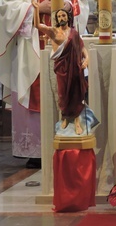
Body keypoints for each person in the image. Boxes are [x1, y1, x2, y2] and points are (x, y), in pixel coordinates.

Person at [0, 0, 89, 168]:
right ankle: (36, 151)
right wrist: (36, 9)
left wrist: (67, 5)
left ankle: (64, 142)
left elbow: (81, 4)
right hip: (31, 47)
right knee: (35, 93)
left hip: (63, 49)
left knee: (62, 93)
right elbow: (6, 9)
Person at [36, 8, 90, 136]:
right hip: (61, 69)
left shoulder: (74, 33)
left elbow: (82, 48)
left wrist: (86, 59)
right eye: (59, 16)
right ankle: (65, 117)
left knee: (76, 94)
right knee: (62, 94)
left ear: (68, 17)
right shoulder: (54, 32)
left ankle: (77, 121)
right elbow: (37, 25)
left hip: (75, 68)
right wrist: (36, 8)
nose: (61, 18)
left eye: (63, 16)